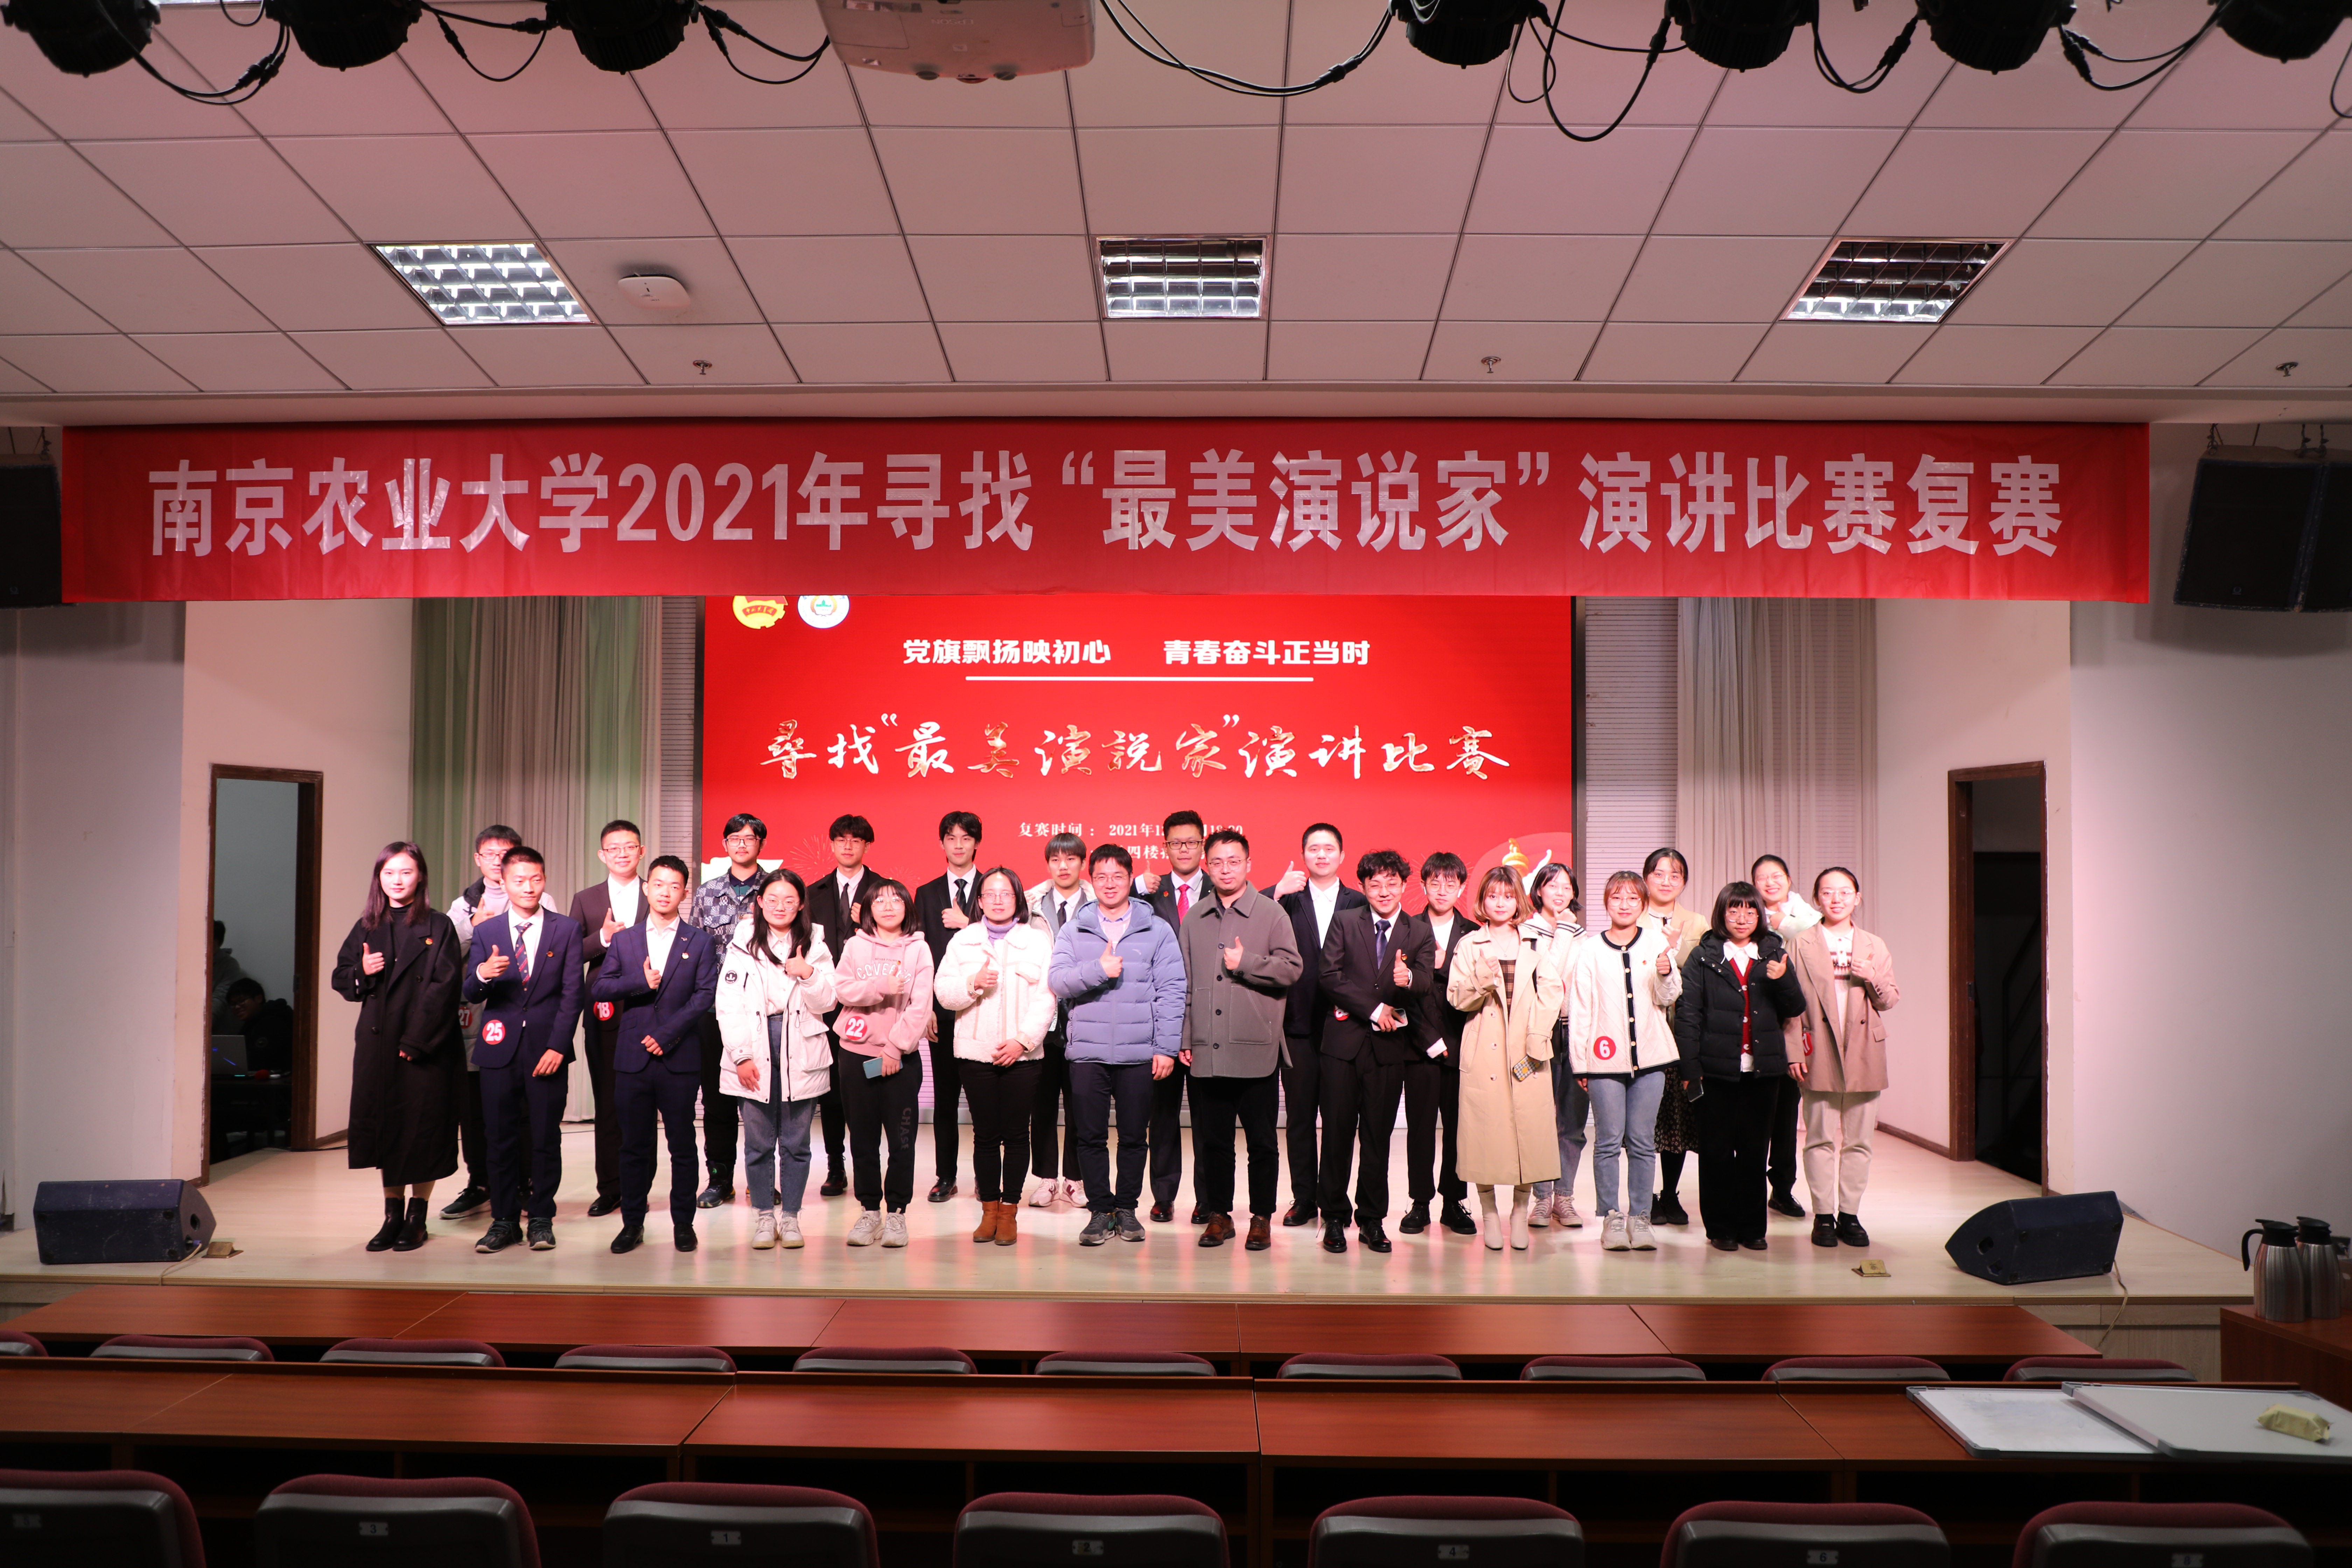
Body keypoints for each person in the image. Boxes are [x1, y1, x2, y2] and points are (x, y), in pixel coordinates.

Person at [1048, 844, 1186, 1246]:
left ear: (1131, 879)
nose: (1110, 884)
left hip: (1138, 1052)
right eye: (1102, 877)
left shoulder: (1156, 929)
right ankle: (1100, 1210)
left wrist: (1166, 1048)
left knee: (1134, 1137)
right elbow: (1058, 981)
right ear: (1092, 880)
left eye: (1119, 876)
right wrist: (1099, 969)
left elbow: (1173, 990)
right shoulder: (1075, 928)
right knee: (1089, 1137)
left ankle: (1126, 1208)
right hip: (1087, 1053)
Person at [332, 841, 464, 1254]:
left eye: (406, 872)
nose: (397, 880)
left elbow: (445, 988)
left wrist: (416, 1040)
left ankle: (417, 1217)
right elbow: (341, 978)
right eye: (389, 873)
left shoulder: (439, 925)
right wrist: (362, 971)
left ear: (420, 876)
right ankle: (392, 1214)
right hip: (378, 1046)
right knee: (386, 1127)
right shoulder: (367, 926)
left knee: (423, 1130)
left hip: (426, 1045)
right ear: (379, 878)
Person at [1178, 828, 1303, 1251]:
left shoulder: (1272, 914)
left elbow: (1292, 969)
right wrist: (1185, 1036)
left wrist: (1246, 962)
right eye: (1217, 862)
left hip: (1256, 1049)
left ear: (1249, 864)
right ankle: (1219, 1215)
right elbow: (1186, 983)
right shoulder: (1195, 917)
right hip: (1207, 1048)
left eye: (1234, 861)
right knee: (1213, 1142)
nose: (1226, 869)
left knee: (1262, 1142)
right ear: (1206, 867)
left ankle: (1262, 1217)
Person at [594, 855, 721, 1255]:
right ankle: (633, 1223)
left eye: (674, 886)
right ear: (647, 888)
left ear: (685, 893)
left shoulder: (700, 941)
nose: (666, 892)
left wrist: (668, 1035)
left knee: (682, 1146)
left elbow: (705, 995)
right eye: (659, 884)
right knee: (633, 1146)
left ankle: (684, 1224)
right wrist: (639, 982)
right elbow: (601, 987)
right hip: (632, 1058)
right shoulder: (625, 939)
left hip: (679, 1058)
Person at [461, 846, 583, 1254]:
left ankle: (542, 1218)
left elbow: (573, 995)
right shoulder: (488, 932)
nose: (529, 887)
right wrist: (483, 973)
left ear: (544, 880)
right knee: (499, 1137)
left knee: (545, 1136)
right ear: (503, 881)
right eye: (519, 880)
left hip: (547, 1050)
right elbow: (471, 991)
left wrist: (558, 1046)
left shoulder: (566, 930)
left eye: (536, 879)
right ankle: (504, 1220)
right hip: (499, 1049)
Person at [1675, 882, 1807, 1252]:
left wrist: (1783, 981)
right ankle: (1720, 1228)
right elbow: (1688, 1016)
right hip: (1715, 1071)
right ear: (1722, 914)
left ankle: (1753, 1229)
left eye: (1750, 910)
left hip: (1764, 1072)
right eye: (1733, 910)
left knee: (1754, 1152)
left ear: (1759, 915)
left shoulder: (1774, 952)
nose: (1742, 918)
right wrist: (1690, 1069)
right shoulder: (1703, 956)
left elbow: (1795, 1007)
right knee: (1717, 1153)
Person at [1315, 849, 1433, 1255]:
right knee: (1336, 1134)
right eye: (1375, 884)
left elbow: (1425, 983)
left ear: (1404, 886)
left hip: (1388, 1048)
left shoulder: (1419, 932)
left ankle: (1371, 1219)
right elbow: (1329, 976)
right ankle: (1333, 1217)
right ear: (1363, 887)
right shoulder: (1346, 921)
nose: (1384, 891)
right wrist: (1374, 1009)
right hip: (1342, 1047)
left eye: (1391, 883)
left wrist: (1409, 977)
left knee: (1378, 1137)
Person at [716, 868, 837, 1252]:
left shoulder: (815, 941)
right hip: (755, 1044)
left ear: (801, 904)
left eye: (789, 900)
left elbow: (828, 1001)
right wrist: (741, 1055)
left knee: (797, 1143)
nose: (780, 907)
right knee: (758, 1142)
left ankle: (792, 1218)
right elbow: (728, 1004)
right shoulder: (742, 941)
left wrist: (808, 974)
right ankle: (765, 1217)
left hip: (801, 1043)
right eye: (772, 900)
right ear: (760, 903)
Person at [1443, 866, 1563, 1251]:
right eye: (1493, 896)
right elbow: (1457, 998)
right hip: (1484, 1051)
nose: (1500, 903)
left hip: (1529, 1050)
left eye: (1508, 896)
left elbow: (1552, 992)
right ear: (1483, 900)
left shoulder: (1534, 941)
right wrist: (1482, 978)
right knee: (1484, 1134)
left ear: (1519, 901)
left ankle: (1519, 1212)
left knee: (1528, 1132)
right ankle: (1490, 1213)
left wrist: (1537, 1038)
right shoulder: (1470, 944)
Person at [934, 867, 1055, 1244]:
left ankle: (1009, 1211)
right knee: (985, 1136)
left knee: (1017, 1135)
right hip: (976, 1055)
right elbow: (944, 992)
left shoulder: (1036, 941)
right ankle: (989, 1211)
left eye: (1006, 894)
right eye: (991, 894)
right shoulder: (964, 941)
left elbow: (1047, 997)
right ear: (980, 900)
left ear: (1018, 899)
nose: (999, 900)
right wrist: (973, 984)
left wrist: (1023, 1041)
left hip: (1023, 1056)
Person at [1566, 870, 1685, 1253]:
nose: (1625, 905)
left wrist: (1667, 972)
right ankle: (1611, 1217)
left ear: (1643, 904)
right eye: (1617, 898)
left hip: (1652, 1058)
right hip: (1604, 1061)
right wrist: (1581, 1064)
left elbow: (1668, 997)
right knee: (1608, 1141)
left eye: (1633, 898)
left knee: (1642, 1142)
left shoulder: (1656, 943)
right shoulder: (1589, 950)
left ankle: (1641, 1217)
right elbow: (1581, 1010)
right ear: (1606, 903)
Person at [1782, 867, 1900, 1249]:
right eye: (1828, 892)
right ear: (1817, 899)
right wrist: (1793, 1050)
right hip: (1818, 1047)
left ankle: (1850, 1215)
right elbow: (1789, 1003)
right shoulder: (1800, 943)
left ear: (1857, 898)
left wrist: (1872, 976)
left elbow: (1890, 999)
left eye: (1845, 892)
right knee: (1819, 1138)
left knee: (1860, 1141)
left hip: (1864, 1047)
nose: (1837, 899)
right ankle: (1824, 1216)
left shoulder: (1874, 945)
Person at [831, 878, 933, 1247]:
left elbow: (920, 1006)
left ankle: (897, 1214)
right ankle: (870, 1211)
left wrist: (895, 1049)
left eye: (896, 900)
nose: (889, 907)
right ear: (868, 910)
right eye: (880, 901)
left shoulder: (919, 950)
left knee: (902, 1141)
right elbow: (841, 989)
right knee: (862, 1139)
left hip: (900, 1060)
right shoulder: (855, 945)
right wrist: (880, 988)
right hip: (856, 1055)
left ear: (908, 907)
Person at [1272, 823, 1364, 1227]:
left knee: (1340, 1120)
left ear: (1342, 855)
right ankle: (1304, 1198)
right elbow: (1252, 925)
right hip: (1298, 1024)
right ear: (1303, 855)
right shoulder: (1286, 899)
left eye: (1329, 849)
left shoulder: (1359, 902)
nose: (1322, 855)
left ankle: (1335, 1201)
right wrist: (1275, 893)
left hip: (1346, 1026)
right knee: (1300, 1119)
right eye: (1314, 849)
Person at [564, 818, 648, 1220]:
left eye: (629, 846)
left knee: (643, 1104)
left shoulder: (656, 890)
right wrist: (603, 938)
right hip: (603, 1009)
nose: (622, 854)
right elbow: (570, 954)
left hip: (651, 1005)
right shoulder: (586, 899)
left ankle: (639, 1188)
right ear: (602, 855)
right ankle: (611, 1188)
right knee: (609, 1101)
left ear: (641, 851)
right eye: (614, 848)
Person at [687, 812, 771, 1209]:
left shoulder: (775, 890)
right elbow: (694, 949)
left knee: (761, 1100)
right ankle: (720, 1179)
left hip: (762, 1010)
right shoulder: (707, 893)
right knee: (717, 1099)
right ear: (724, 845)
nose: (742, 844)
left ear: (761, 845)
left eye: (750, 838)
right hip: (713, 1010)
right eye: (735, 837)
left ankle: (761, 1181)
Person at [441, 823, 521, 1222]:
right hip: (473, 1018)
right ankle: (480, 1183)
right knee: (473, 1109)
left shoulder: (534, 895)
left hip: (517, 1014)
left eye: (505, 854)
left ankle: (523, 1184)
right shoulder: (463, 905)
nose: (497, 861)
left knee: (518, 1104)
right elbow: (443, 956)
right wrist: (474, 926)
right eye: (490, 854)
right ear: (478, 859)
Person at [804, 812, 881, 1197]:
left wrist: (868, 922)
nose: (848, 846)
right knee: (831, 1089)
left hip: (872, 1007)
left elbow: (900, 942)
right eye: (841, 840)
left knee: (870, 1086)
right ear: (832, 845)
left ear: (867, 845)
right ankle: (836, 1165)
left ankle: (870, 1165)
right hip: (827, 1004)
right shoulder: (812, 892)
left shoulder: (884, 891)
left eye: (856, 840)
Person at [1404, 852, 1479, 1238]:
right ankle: (1420, 1202)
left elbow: (1477, 988)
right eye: (1435, 883)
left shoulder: (1474, 933)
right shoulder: (1407, 929)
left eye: (1451, 883)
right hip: (1418, 1047)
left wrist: (1442, 964)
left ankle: (1454, 1202)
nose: (1442, 890)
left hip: (1462, 1045)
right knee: (1419, 1129)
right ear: (1423, 886)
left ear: (1462, 888)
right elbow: (1402, 993)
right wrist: (1428, 1040)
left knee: (1458, 1130)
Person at [1138, 810, 1207, 1223]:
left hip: (1206, 1022)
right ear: (1165, 847)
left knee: (1207, 1118)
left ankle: (1207, 1198)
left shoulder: (1220, 889)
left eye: (1191, 842)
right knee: (1162, 1116)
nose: (1184, 849)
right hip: (1160, 1022)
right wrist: (1135, 886)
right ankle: (1163, 1195)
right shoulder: (1149, 892)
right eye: (1176, 843)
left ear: (1203, 845)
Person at [913, 810, 985, 1203]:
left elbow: (1003, 939)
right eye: (951, 838)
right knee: (944, 1100)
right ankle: (946, 1176)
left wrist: (967, 921)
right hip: (941, 1012)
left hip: (983, 1010)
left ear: (977, 843)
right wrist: (924, 1006)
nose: (959, 845)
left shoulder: (994, 888)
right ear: (942, 843)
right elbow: (920, 954)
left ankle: (985, 1177)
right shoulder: (925, 893)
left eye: (966, 838)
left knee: (983, 1102)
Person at [1640, 848, 1708, 1229]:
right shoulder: (1632, 915)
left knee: (1678, 1118)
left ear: (1684, 882)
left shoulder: (1696, 922)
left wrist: (1676, 949)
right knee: (1644, 1118)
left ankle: (1670, 1193)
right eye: (1659, 874)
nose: (1666, 881)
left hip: (1682, 1032)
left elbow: (1701, 973)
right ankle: (1645, 1194)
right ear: (1646, 878)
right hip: (1642, 1030)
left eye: (1675, 875)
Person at [1025, 832, 1092, 1209]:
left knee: (1081, 1103)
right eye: (1056, 860)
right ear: (1048, 864)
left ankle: (1075, 1179)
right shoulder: (1030, 905)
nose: (1063, 866)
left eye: (1071, 859)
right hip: (1043, 1019)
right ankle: (1047, 1179)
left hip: (1084, 1017)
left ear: (1083, 863)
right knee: (1043, 1104)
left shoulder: (1098, 904)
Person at [1751, 852, 1819, 1219]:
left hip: (1792, 1024)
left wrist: (1784, 923)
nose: (1770, 882)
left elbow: (1816, 940)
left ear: (1789, 880)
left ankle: (1782, 1189)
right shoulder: (1748, 915)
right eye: (1762, 878)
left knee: (1786, 1116)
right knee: (1753, 1117)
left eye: (1776, 875)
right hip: (1757, 1024)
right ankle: (1749, 1188)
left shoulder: (1806, 915)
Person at [1522, 862, 1588, 1233]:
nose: (1561, 893)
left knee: (1573, 1123)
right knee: (1539, 1121)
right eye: (1553, 886)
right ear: (1539, 891)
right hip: (1540, 1034)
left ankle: (1565, 1196)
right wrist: (1563, 930)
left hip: (1574, 1034)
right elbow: (1547, 976)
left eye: (1567, 887)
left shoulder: (1583, 936)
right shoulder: (1526, 932)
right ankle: (1542, 1198)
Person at [223, 978, 294, 1074]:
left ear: (259, 999)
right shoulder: (252, 1023)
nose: (237, 1007)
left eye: (241, 1001)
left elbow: (261, 1061)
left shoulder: (272, 1022)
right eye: (233, 1004)